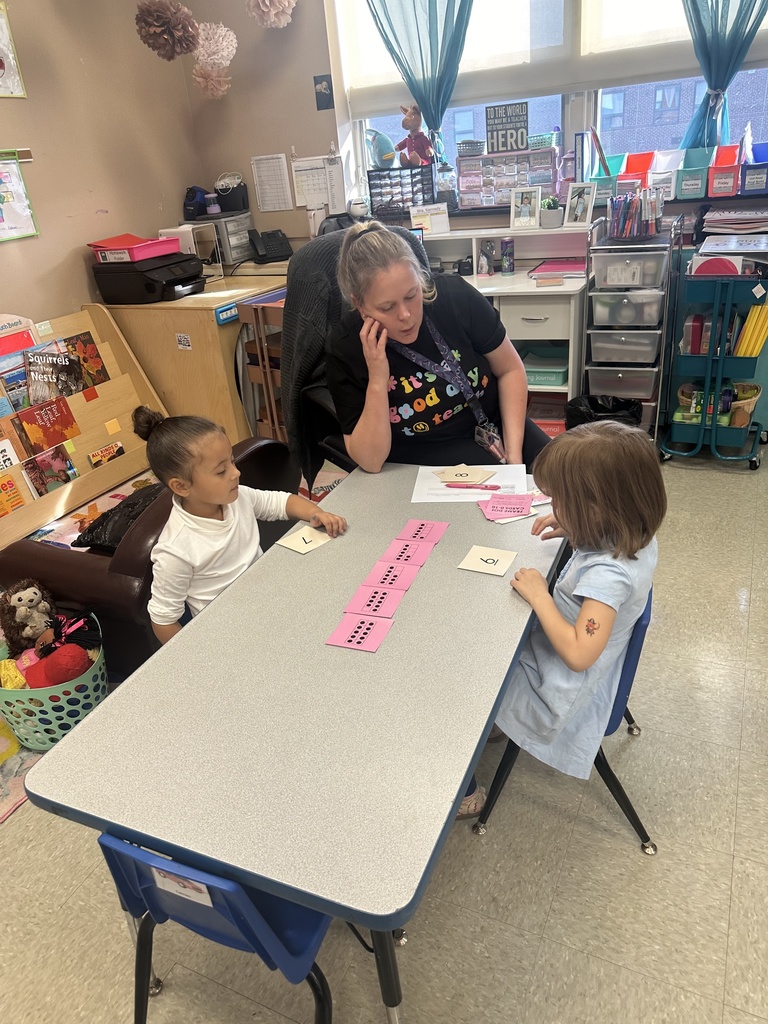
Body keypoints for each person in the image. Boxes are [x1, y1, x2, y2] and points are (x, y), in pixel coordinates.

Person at [492, 420, 667, 795]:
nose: (554, 507)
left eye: (560, 501)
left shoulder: (608, 578)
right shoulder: (633, 532)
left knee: (475, 670)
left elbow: (577, 653)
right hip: (572, 664)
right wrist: (575, 524)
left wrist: (540, 595)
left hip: (556, 690)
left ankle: (470, 775)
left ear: (598, 507)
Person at [326, 221, 549, 473]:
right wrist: (377, 377)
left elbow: (510, 370)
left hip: (495, 425)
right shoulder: (345, 346)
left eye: (412, 295)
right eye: (387, 307)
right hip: (425, 450)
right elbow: (370, 461)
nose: (406, 315)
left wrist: (516, 459)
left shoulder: (454, 296)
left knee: (572, 478)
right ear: (360, 304)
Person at [133, 407, 347, 645]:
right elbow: (163, 620)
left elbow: (281, 502)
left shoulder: (237, 498)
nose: (236, 473)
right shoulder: (175, 550)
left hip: (267, 599)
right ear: (182, 487)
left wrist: (317, 513)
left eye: (232, 462)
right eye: (222, 471)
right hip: (230, 634)